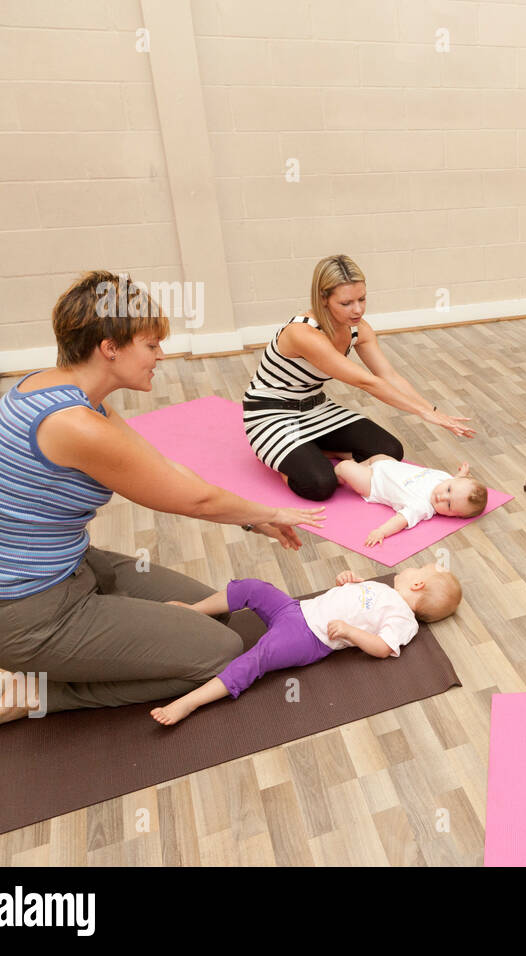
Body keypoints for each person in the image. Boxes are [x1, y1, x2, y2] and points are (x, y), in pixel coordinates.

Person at [0, 272, 324, 738]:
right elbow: (194, 500)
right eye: (151, 345)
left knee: (212, 609)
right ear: (110, 348)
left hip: (65, 571)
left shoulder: (54, 389)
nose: (160, 355)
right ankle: (35, 692)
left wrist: (250, 520)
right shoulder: (75, 425)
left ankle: (54, 662)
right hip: (18, 613)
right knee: (218, 654)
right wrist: (273, 512)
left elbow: (163, 468)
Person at [243, 254, 474, 501]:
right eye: (346, 303)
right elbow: (366, 382)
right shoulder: (302, 333)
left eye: (362, 299)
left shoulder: (358, 328)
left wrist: (432, 410)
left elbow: (388, 375)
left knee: (390, 451)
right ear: (323, 299)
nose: (358, 309)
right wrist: (422, 413)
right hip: (271, 414)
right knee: (320, 484)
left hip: (317, 409)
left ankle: (314, 449)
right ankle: (280, 456)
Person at [150, 564, 461, 726]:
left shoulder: (404, 619)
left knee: (256, 658)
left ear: (417, 583)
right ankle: (193, 611)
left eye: (419, 568)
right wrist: (349, 581)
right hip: (295, 609)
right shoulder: (385, 591)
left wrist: (350, 632)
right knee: (252, 587)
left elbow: (382, 647)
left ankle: (189, 702)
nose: (410, 568)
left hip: (308, 638)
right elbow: (357, 602)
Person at [333, 454, 488, 547]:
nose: (442, 497)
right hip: (387, 465)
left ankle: (339, 476)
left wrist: (381, 532)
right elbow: (457, 482)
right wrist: (462, 475)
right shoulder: (446, 479)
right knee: (378, 456)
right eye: (448, 490)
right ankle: (356, 463)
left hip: (373, 482)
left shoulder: (422, 507)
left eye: (448, 505)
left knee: (344, 467)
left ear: (452, 515)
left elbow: (400, 520)